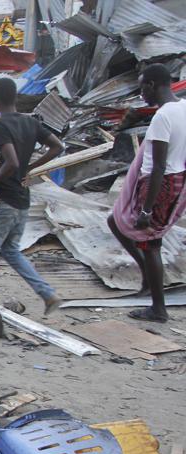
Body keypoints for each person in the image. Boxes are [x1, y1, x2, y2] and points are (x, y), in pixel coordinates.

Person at [0, 77, 63, 320]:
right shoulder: (30, 122)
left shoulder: (0, 127)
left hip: (3, 200)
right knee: (11, 250)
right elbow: (57, 147)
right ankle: (47, 293)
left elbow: (11, 162)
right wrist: (31, 169)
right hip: (21, 199)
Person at [107, 64, 186, 323]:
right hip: (173, 180)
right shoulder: (182, 108)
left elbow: (158, 166)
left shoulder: (163, 117)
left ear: (152, 84)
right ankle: (148, 280)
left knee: (150, 244)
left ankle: (157, 308)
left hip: (158, 185)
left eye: (143, 86)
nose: (142, 93)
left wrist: (147, 209)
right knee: (117, 221)